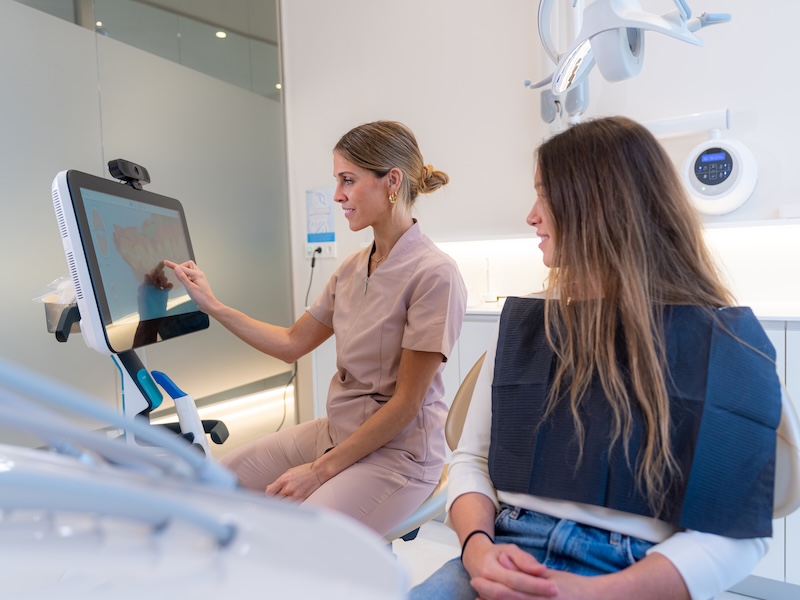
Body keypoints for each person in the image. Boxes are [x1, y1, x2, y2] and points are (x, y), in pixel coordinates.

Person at [411, 116, 782, 600]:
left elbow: (736, 532)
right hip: (505, 547)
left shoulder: (723, 343)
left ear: (596, 204)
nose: (531, 215)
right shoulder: (526, 325)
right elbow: (471, 460)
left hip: (635, 567)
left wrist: (601, 591)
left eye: (544, 193)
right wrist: (477, 547)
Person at [165, 120, 467, 536]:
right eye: (337, 180)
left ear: (392, 181)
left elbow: (406, 405)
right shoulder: (351, 269)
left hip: (399, 454)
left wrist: (317, 472)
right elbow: (292, 343)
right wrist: (213, 306)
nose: (338, 195)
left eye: (348, 180)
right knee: (213, 484)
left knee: (299, 536)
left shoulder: (434, 274)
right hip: (337, 432)